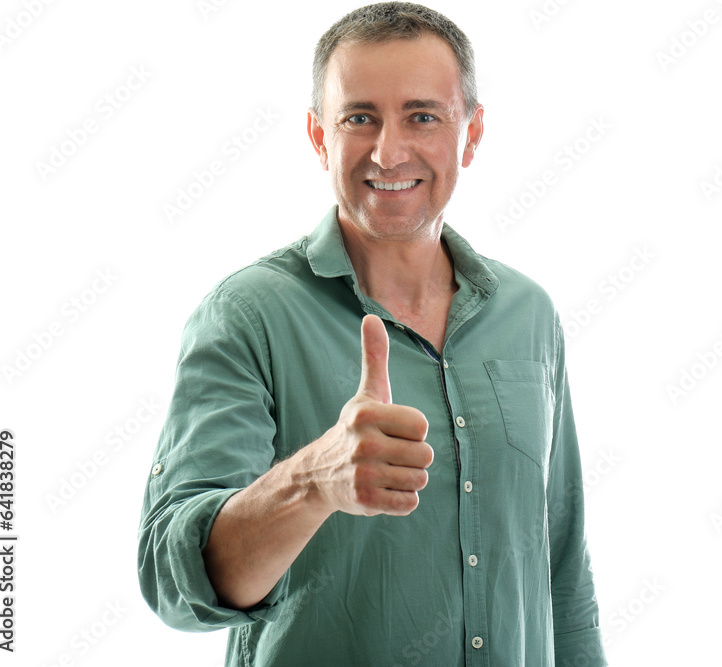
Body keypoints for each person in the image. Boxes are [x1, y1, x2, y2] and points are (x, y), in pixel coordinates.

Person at [137, 2, 606, 664]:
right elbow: (171, 581)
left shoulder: (529, 314)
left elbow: (561, 568)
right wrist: (311, 481)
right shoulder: (247, 315)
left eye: (422, 116)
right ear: (317, 135)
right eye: (360, 118)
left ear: (470, 134)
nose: (389, 151)